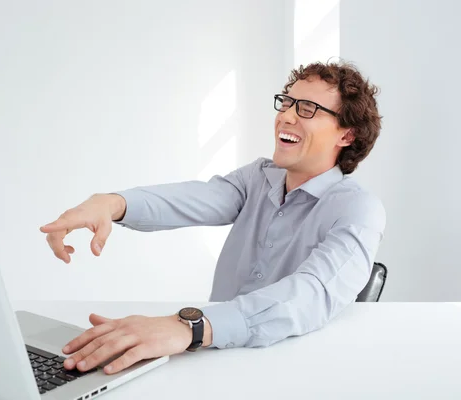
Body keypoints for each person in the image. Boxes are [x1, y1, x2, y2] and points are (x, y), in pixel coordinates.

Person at [40, 61, 385, 375]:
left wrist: (189, 327)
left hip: (288, 372)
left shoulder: (358, 210)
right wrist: (111, 203)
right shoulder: (257, 178)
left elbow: (309, 294)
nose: (287, 116)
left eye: (308, 108)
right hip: (211, 360)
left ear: (347, 134)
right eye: (287, 102)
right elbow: (192, 198)